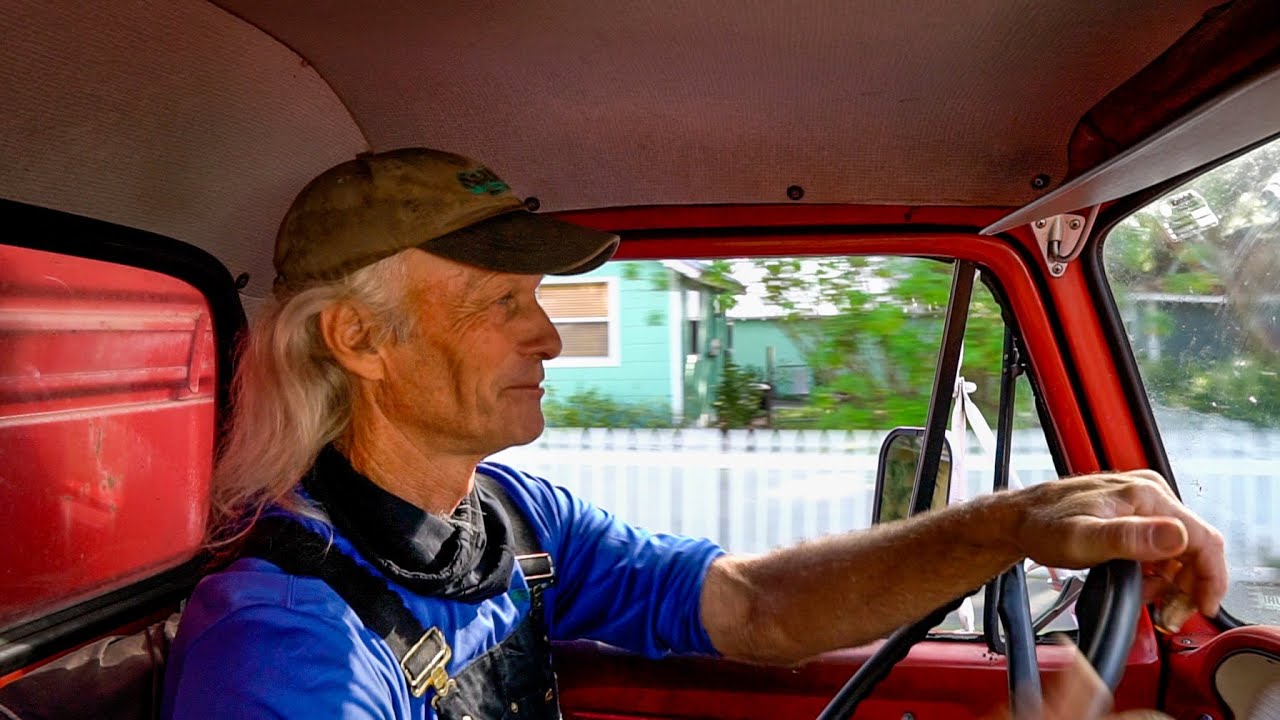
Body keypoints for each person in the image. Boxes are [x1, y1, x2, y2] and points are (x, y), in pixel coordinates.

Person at [160, 148, 1228, 719]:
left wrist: (1010, 524)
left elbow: (753, 606)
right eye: (499, 303)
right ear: (361, 340)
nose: (548, 337)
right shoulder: (284, 638)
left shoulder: (512, 524)